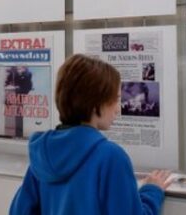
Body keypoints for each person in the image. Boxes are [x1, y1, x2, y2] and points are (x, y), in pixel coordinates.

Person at [9, 54, 171, 215]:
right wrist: (152, 191)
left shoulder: (43, 157)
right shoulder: (111, 157)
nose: (117, 109)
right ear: (95, 104)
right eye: (115, 99)